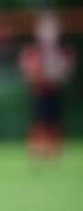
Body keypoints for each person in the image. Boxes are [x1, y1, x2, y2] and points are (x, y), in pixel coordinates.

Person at [19, 12, 75, 163]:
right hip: (40, 91)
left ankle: (54, 151)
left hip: (56, 92)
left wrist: (55, 70)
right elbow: (28, 71)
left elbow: (66, 72)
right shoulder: (33, 51)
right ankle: (38, 150)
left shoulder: (62, 51)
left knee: (55, 121)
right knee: (39, 121)